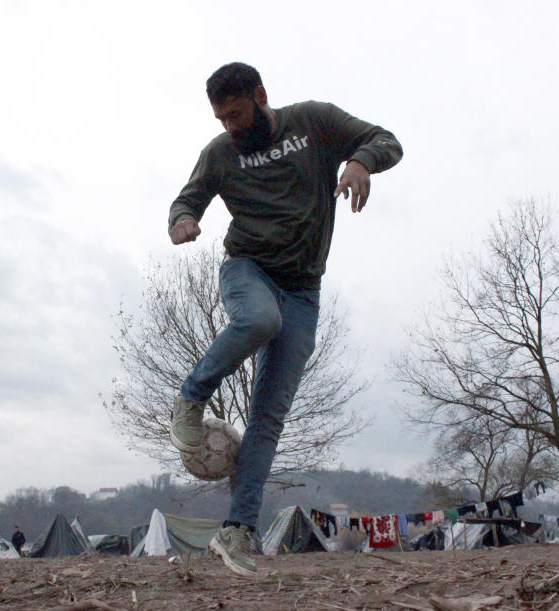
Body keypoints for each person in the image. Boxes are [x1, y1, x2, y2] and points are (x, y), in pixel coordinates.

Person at [168, 62, 402, 578]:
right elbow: (189, 197)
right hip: (247, 269)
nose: (230, 125)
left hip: (303, 290)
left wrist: (362, 162)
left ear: (260, 96)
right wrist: (184, 219)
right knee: (257, 320)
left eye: (236, 114)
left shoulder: (312, 122)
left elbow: (385, 139)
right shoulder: (220, 153)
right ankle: (190, 398)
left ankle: (239, 532)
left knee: (269, 416)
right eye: (220, 118)